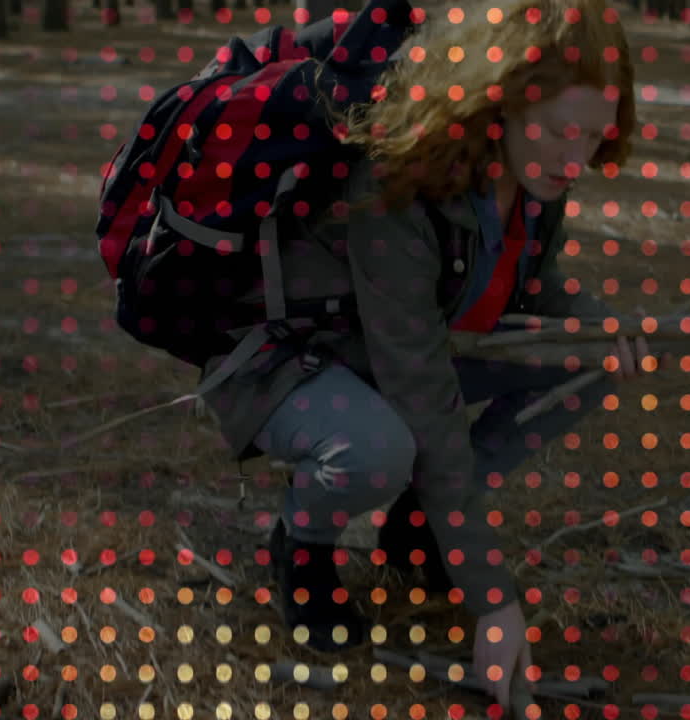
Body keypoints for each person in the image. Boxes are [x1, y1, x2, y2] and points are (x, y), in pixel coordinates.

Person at [198, 0, 657, 712]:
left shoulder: (534, 181)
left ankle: (416, 526)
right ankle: (304, 541)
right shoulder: (397, 183)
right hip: (287, 361)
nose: (577, 158)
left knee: (584, 356)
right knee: (383, 447)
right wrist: (494, 602)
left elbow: (523, 288)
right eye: (562, 131)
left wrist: (599, 332)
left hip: (389, 362)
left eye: (595, 138)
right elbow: (426, 395)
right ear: (495, 99)